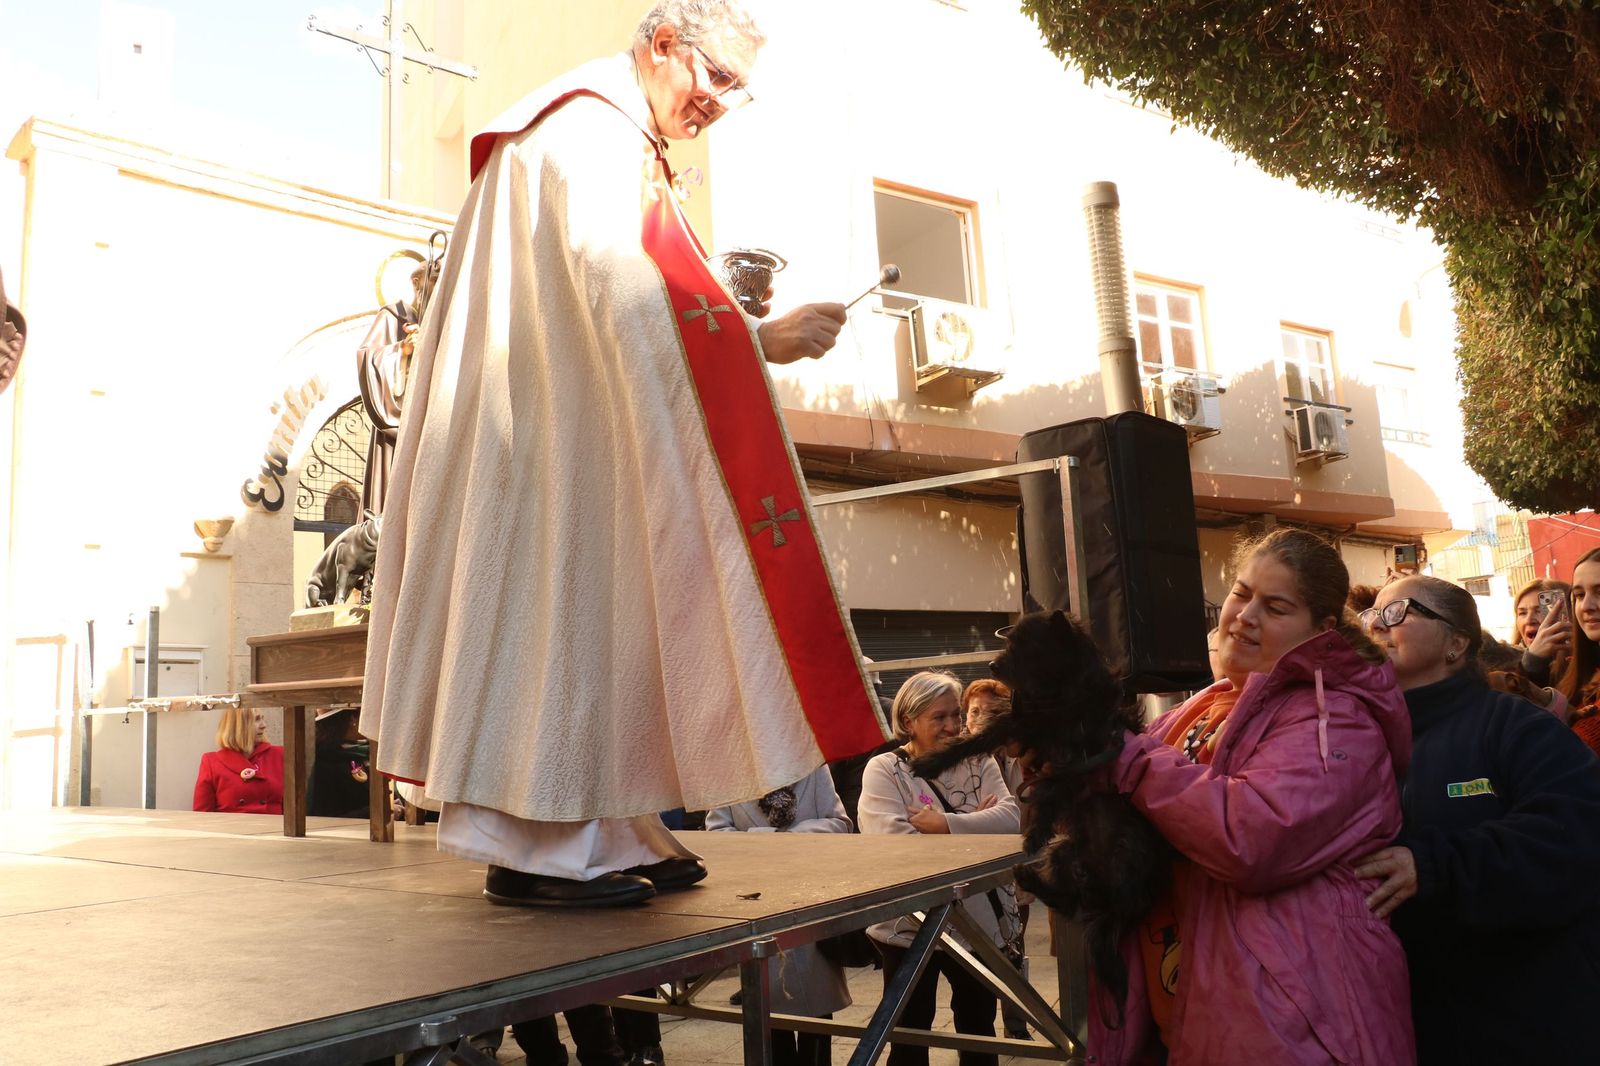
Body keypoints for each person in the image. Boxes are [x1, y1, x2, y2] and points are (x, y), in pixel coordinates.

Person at [359, 0, 887, 907]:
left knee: (605, 612)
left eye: (738, 90)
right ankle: (539, 846)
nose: (720, 101)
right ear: (663, 45)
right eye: (716, 76)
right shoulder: (587, 129)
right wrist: (758, 339)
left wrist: (744, 335)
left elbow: (640, 298)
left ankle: (603, 824)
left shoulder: (608, 132)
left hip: (569, 417)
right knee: (560, 608)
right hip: (545, 435)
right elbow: (628, 293)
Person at [1082, 528, 1414, 1064]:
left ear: (1322, 630)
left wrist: (1123, 758)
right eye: (1241, 593)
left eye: (1276, 607)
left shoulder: (1337, 720)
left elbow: (1250, 838)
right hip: (1182, 1006)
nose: (1245, 616)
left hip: (1291, 1024)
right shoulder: (1200, 706)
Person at [1354, 575, 1600, 1065]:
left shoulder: (1514, 726)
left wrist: (1434, 866)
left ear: (1457, 643)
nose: (1377, 626)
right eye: (1370, 616)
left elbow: (1572, 833)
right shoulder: (1355, 738)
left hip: (1527, 1022)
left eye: (1397, 612)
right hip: (1405, 1026)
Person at [858, 671, 1021, 1066]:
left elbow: (1010, 819)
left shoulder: (978, 759)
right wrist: (975, 825)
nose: (952, 726)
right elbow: (895, 846)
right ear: (909, 721)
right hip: (908, 924)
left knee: (979, 1030)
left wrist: (944, 824)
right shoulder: (884, 770)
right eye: (939, 717)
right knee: (909, 1033)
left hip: (978, 922)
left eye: (955, 715)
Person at [707, 766, 852, 1065]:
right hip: (758, 902)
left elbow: (840, 823)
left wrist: (793, 838)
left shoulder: (812, 767)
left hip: (810, 899)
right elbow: (717, 834)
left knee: (816, 1012)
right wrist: (769, 839)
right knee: (768, 1013)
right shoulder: (729, 771)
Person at [193, 708, 284, 814]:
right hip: (232, 824)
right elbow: (202, 815)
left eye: (262, 718)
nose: (264, 725)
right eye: (256, 719)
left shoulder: (279, 755)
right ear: (238, 726)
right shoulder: (211, 762)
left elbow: (292, 807)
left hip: (273, 824)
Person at [1560, 548, 1600, 754]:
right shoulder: (1578, 672)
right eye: (1579, 595)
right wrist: (1533, 664)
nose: (1586, 606)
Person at [308, 707, 371, 818]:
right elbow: (325, 816)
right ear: (353, 719)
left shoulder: (363, 753)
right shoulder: (326, 761)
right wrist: (377, 811)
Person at [1509, 576, 1572, 687]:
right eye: (1522, 613)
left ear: (1565, 615)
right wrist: (1532, 660)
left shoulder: (1582, 662)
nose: (1529, 620)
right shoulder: (1507, 666)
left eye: (1539, 611)